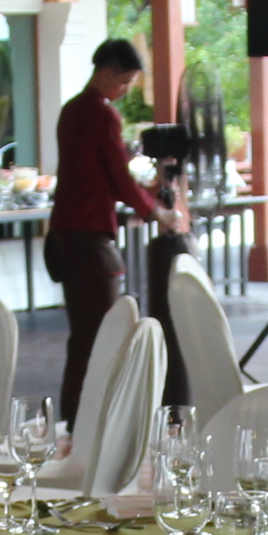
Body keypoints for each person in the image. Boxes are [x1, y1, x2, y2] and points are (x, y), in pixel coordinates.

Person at [47, 38, 186, 428]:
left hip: (64, 234)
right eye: (124, 82)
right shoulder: (102, 115)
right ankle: (91, 422)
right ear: (106, 73)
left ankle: (76, 419)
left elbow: (103, 173)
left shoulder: (71, 110)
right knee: (101, 335)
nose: (124, 91)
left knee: (82, 336)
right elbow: (118, 180)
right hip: (89, 238)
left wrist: (147, 191)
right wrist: (157, 212)